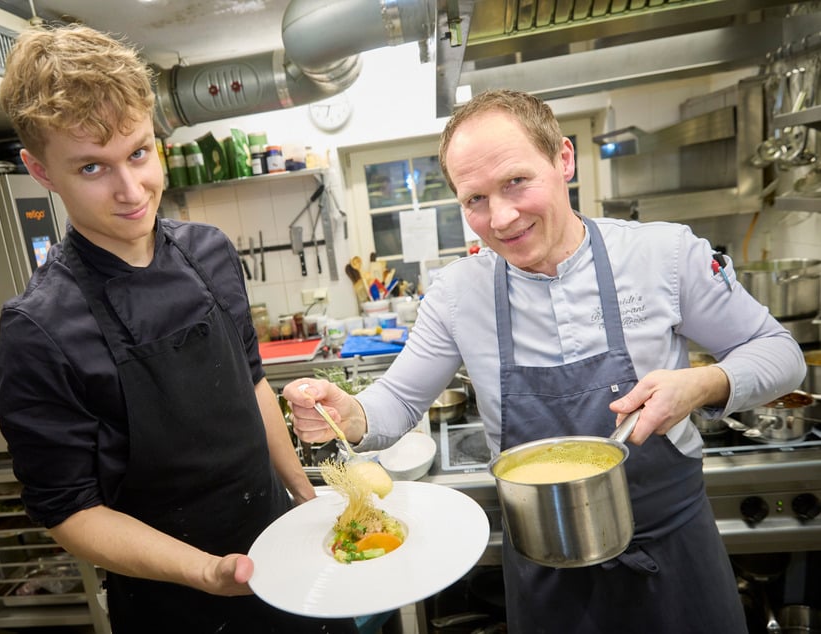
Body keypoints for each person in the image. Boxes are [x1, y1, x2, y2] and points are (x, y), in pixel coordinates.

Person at [283, 89, 807, 633]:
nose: (501, 218)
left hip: (671, 551)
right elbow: (397, 400)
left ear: (563, 159)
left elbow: (781, 354)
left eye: (516, 182)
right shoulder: (459, 294)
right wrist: (347, 415)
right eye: (475, 200)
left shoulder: (664, 255)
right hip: (546, 571)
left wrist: (703, 383)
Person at [0, 24, 358, 633]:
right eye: (92, 168)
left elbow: (252, 387)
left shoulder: (209, 253)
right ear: (40, 169)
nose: (132, 191)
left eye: (138, 153)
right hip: (172, 602)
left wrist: (306, 499)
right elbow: (68, 510)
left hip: (285, 557)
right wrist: (204, 572)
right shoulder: (39, 329)